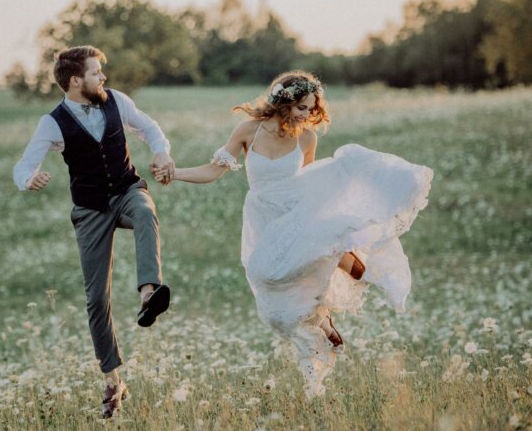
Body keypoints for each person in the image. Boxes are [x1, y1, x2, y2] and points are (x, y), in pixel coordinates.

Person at [156, 71, 433, 397]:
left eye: (311, 108)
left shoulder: (306, 137)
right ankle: (324, 317)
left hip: (295, 213)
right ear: (283, 101)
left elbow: (309, 179)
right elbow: (214, 170)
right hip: (263, 216)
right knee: (266, 279)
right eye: (302, 107)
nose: (307, 114)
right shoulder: (248, 130)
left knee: (306, 266)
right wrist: (176, 174)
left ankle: (348, 267)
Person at [12, 45, 174, 418]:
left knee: (147, 213)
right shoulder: (52, 122)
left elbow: (148, 127)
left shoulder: (117, 100)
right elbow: (24, 164)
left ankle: (149, 294)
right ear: (75, 81)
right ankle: (114, 381)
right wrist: (28, 179)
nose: (103, 77)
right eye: (96, 72)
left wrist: (161, 151)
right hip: (90, 210)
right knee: (96, 300)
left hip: (127, 190)